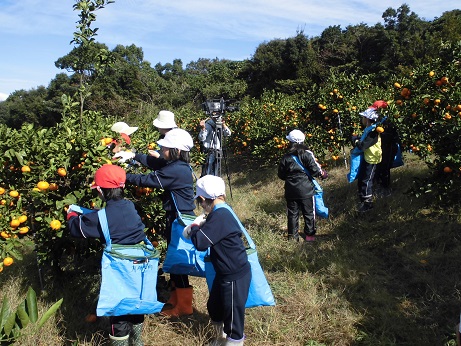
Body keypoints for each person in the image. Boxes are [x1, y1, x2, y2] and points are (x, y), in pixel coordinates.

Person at [113, 128, 196, 317]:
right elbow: (155, 162)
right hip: (176, 217)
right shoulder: (177, 165)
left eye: (165, 147)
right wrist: (134, 155)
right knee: (176, 260)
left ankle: (184, 306)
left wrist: (121, 176)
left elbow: (147, 180)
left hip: (179, 220)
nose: (161, 150)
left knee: (179, 261)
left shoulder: (175, 170)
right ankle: (176, 300)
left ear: (175, 150)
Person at [67, 164, 147, 346]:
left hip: (119, 271)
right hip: (138, 266)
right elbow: (112, 218)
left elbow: (76, 228)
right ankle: (138, 341)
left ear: (101, 191)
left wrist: (71, 214)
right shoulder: (130, 206)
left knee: (118, 312)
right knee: (135, 305)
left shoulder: (102, 217)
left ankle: (121, 342)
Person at [183, 175, 251, 346]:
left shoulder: (220, 216)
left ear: (204, 199)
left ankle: (234, 341)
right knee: (215, 307)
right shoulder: (221, 211)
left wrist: (195, 227)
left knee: (233, 319)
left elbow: (200, 243)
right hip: (224, 273)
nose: (201, 206)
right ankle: (220, 339)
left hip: (234, 275)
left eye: (200, 202)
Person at [277, 129, 328, 242]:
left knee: (292, 214)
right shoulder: (307, 154)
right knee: (309, 212)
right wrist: (323, 174)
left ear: (290, 142)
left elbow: (281, 174)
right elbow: (315, 170)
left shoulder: (286, 157)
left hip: (291, 190)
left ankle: (293, 237)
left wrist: (291, 179)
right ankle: (309, 235)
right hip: (306, 189)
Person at [351, 107, 382, 212]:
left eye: (364, 117)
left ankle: (368, 204)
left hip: (372, 159)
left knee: (367, 180)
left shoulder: (373, 132)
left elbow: (363, 146)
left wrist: (355, 141)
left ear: (368, 119)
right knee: (362, 179)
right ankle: (363, 199)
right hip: (368, 157)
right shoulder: (369, 129)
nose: (362, 119)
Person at [370, 100, 401, 196]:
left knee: (385, 167)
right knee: (378, 167)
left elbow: (391, 136)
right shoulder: (379, 122)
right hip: (380, 148)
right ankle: (379, 186)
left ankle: (385, 188)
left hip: (388, 147)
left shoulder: (388, 122)